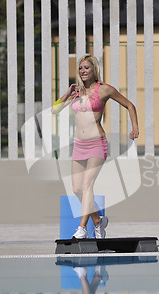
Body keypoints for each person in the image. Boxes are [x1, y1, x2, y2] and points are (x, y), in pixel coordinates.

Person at [52, 54, 139, 239]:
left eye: (87, 68)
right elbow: (54, 110)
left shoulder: (105, 89)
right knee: (77, 189)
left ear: (94, 70)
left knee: (87, 185)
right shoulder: (77, 92)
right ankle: (98, 221)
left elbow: (130, 106)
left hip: (97, 144)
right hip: (79, 145)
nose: (83, 71)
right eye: (81, 68)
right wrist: (67, 94)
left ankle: (82, 228)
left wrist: (135, 128)